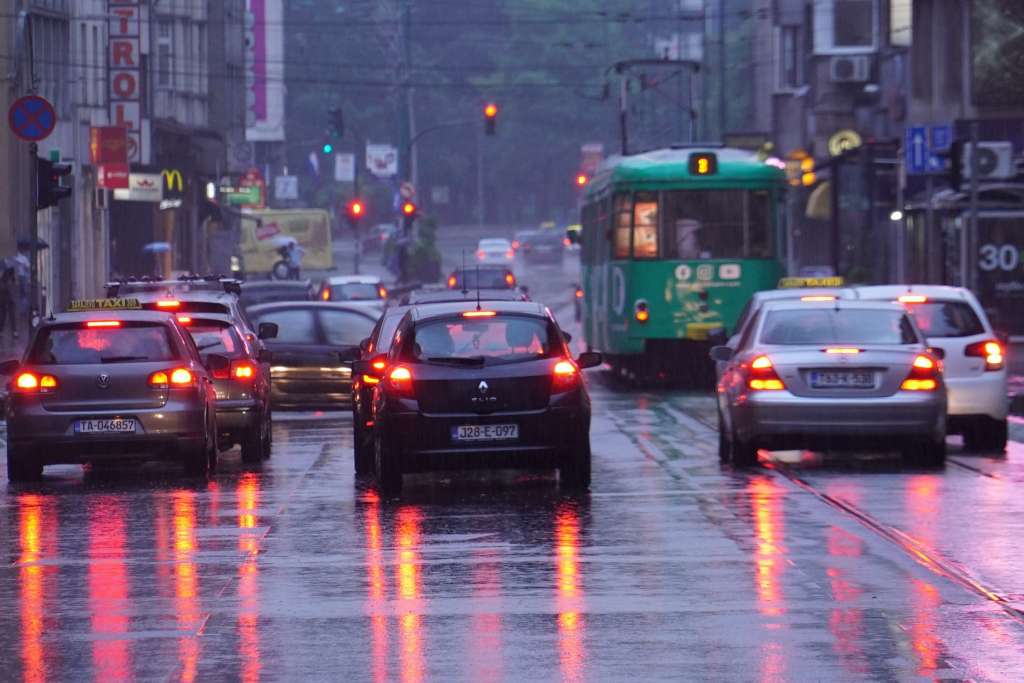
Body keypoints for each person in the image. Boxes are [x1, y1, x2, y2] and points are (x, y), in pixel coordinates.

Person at [0, 266, 18, 342]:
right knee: (8, 317)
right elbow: (11, 290)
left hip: (7, 301)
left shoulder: (6, 280)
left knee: (6, 317)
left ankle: (11, 331)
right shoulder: (6, 281)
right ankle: (13, 332)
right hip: (6, 301)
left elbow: (13, 290)